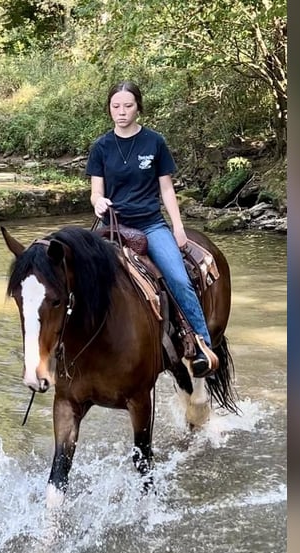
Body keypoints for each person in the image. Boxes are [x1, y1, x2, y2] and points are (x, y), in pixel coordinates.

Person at [86, 80, 218, 377]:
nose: (121, 112)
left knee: (178, 278)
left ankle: (201, 345)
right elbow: (95, 191)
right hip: (113, 227)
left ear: (139, 108)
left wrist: (178, 227)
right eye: (115, 107)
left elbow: (167, 190)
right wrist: (98, 202)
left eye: (128, 106)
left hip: (150, 224)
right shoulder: (101, 147)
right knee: (79, 278)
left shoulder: (154, 142)